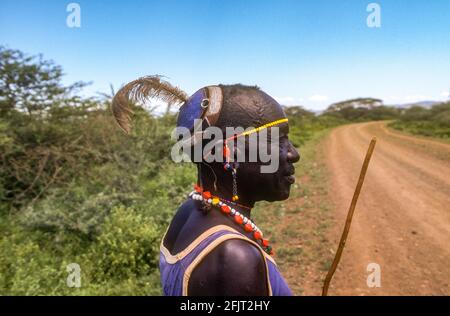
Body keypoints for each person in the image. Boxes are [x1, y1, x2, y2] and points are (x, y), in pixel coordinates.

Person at [112, 77, 300, 296]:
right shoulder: (236, 258)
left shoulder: (190, 209)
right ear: (229, 152)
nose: (293, 154)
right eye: (278, 140)